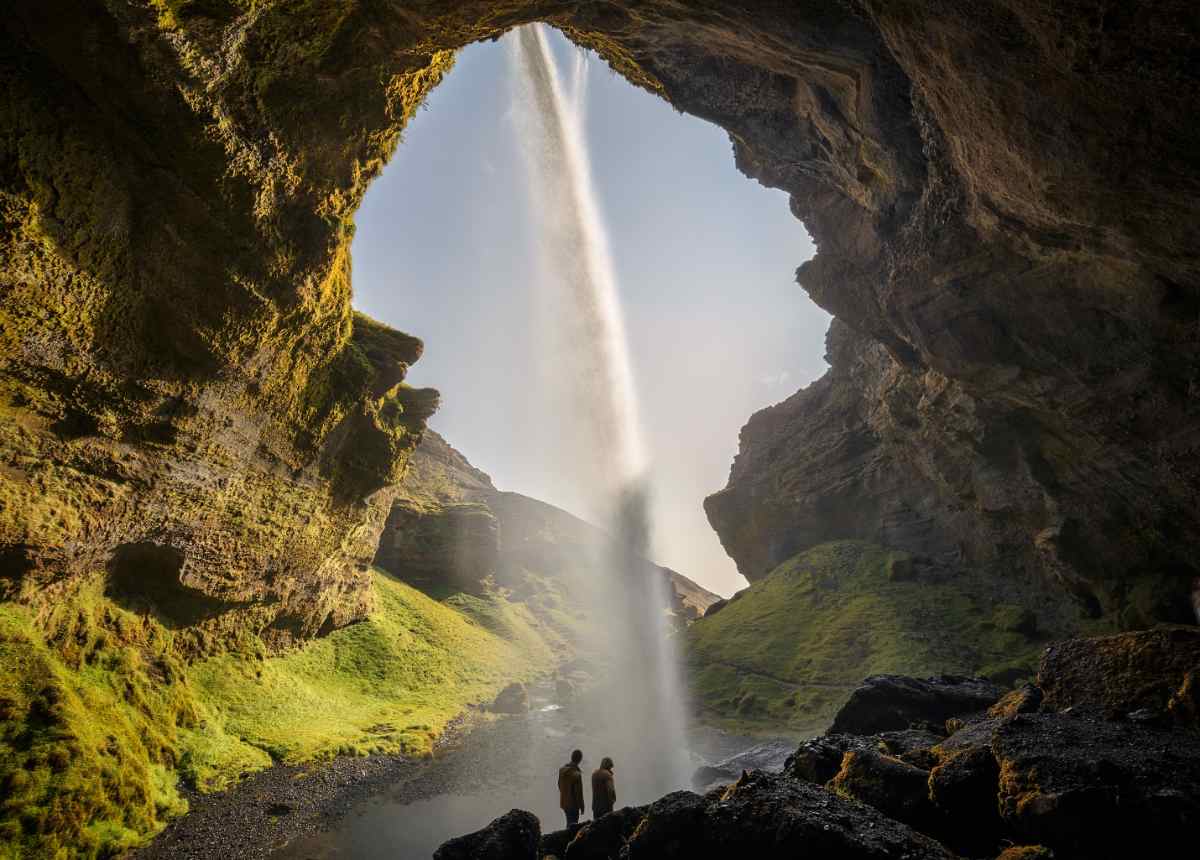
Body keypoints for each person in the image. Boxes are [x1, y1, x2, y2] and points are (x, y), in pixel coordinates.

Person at [558, 749, 585, 826]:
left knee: (568, 822)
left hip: (564, 803)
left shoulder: (562, 770)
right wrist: (581, 806)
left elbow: (559, 785)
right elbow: (578, 793)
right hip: (573, 805)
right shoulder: (576, 774)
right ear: (580, 759)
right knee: (573, 825)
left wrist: (565, 794)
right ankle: (570, 838)